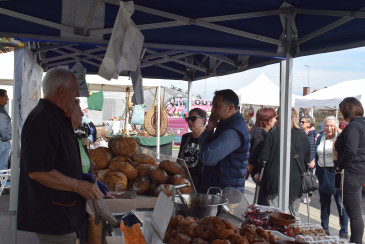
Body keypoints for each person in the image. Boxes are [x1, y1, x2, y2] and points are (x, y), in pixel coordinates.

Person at [17, 67, 99, 244]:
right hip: (53, 217)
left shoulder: (56, 117)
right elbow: (38, 171)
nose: (77, 94)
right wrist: (79, 185)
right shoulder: (42, 119)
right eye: (74, 89)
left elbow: (59, 161)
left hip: (63, 214)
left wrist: (80, 175)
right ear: (61, 91)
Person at [259, 108, 310, 221]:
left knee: (274, 213)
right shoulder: (303, 135)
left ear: (279, 117)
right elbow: (307, 159)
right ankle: (294, 236)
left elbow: (264, 156)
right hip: (296, 179)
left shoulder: (273, 133)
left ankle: (276, 237)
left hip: (275, 178)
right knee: (293, 214)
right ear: (295, 118)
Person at [199, 89, 250, 193]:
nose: (213, 110)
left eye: (217, 106)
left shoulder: (234, 131)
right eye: (213, 106)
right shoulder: (225, 124)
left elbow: (208, 158)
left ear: (230, 108)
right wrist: (209, 130)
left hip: (225, 194)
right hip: (216, 189)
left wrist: (205, 148)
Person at [334, 97, 365, 244]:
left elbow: (351, 150)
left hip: (352, 171)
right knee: (355, 211)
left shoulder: (353, 126)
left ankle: (356, 241)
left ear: (346, 110)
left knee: (354, 212)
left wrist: (341, 165)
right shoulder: (362, 124)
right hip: (359, 170)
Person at [315, 116, 348, 238]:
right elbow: (317, 154)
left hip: (336, 172)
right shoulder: (320, 138)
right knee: (324, 203)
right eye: (327, 125)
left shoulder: (340, 138)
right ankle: (324, 229)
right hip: (323, 172)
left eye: (332, 125)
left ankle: (344, 231)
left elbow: (346, 152)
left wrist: (341, 133)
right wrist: (317, 171)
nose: (329, 128)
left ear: (336, 126)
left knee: (340, 203)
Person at [178, 108, 207, 192]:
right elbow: (179, 159)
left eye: (193, 119)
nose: (189, 122)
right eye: (188, 119)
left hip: (200, 184)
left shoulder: (209, 138)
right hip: (184, 182)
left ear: (203, 120)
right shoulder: (185, 137)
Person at [246, 107, 277, 181]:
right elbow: (255, 153)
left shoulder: (256, 129)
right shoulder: (260, 133)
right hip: (257, 171)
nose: (275, 120)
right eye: (274, 118)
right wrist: (249, 170)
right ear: (268, 120)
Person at [300, 115, 319, 202]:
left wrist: (314, 161)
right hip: (301, 160)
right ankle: (300, 194)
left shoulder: (315, 134)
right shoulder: (300, 132)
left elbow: (317, 149)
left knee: (309, 179)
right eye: (300, 121)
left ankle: (308, 197)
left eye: (303, 122)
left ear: (309, 123)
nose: (301, 123)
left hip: (311, 161)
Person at [0, 89, 11, 170]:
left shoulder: (2, 109)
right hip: (3, 142)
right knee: (2, 169)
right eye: (6, 97)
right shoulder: (1, 111)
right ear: (0, 98)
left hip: (3, 142)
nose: (7, 98)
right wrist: (6, 139)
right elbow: (2, 127)